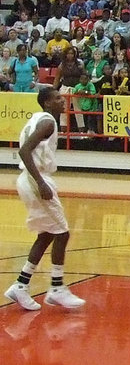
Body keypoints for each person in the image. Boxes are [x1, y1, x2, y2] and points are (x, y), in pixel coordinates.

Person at [4, 87, 86, 311]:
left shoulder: (39, 118)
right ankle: (57, 288)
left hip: (29, 178)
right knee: (62, 232)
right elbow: (24, 151)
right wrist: (40, 182)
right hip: (35, 179)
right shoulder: (47, 122)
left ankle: (21, 284)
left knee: (48, 233)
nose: (63, 101)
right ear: (47, 103)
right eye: (58, 98)